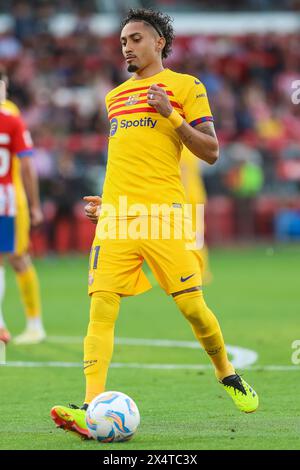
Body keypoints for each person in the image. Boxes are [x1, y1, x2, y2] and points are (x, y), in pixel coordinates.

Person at [51, 8, 258, 437]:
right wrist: (105, 203)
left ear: (159, 42)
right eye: (123, 40)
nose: (126, 46)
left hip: (163, 217)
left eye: (135, 39)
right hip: (117, 219)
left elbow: (211, 151)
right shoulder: (113, 97)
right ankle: (90, 408)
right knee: (101, 308)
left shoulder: (186, 86)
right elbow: (126, 159)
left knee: (193, 308)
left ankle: (226, 373)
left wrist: (172, 115)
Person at [0, 69, 45, 345]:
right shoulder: (10, 115)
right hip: (8, 196)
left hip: (13, 199)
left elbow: (25, 163)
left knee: (17, 258)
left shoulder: (10, 113)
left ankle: (34, 323)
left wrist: (32, 204)